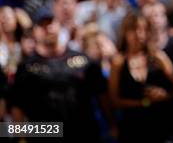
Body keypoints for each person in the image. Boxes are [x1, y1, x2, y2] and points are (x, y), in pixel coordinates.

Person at [10, 8, 112, 141]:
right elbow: (17, 106)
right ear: (34, 31)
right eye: (42, 25)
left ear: (59, 26)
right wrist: (22, 138)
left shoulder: (83, 61)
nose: (48, 28)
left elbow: (102, 95)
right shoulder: (26, 68)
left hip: (83, 133)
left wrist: (112, 125)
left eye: (51, 23)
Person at [109, 12, 173, 143]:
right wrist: (143, 103)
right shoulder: (118, 62)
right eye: (134, 29)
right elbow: (114, 100)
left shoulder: (158, 57)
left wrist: (164, 95)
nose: (138, 34)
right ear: (125, 32)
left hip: (160, 124)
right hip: (132, 126)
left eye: (142, 29)